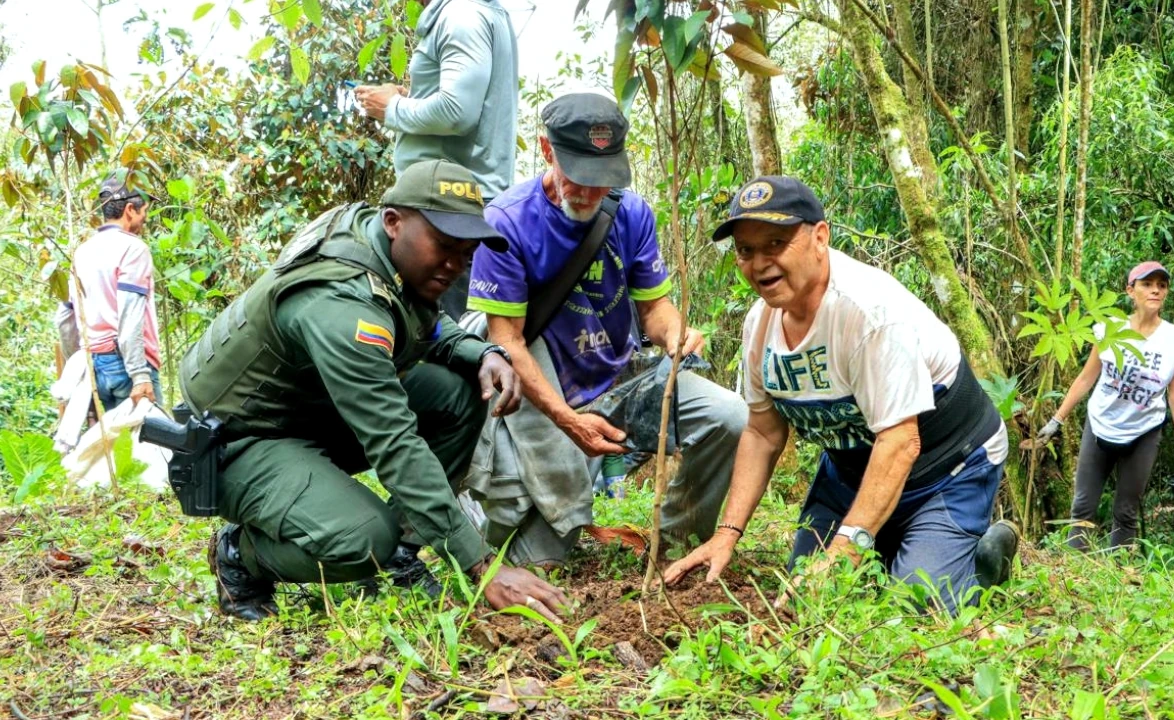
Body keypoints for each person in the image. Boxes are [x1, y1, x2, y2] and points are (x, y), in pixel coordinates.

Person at [178, 159, 567, 622]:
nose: (455, 265)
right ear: (393, 222)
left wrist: (482, 353)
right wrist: (481, 564)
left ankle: (401, 554)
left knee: (461, 393)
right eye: (444, 245)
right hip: (240, 438)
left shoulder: (385, 251)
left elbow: (422, 324)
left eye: (466, 253)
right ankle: (240, 554)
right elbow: (395, 444)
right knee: (364, 540)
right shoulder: (342, 306)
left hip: (307, 407)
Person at [664, 176, 1019, 614]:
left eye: (776, 242)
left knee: (914, 603)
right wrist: (727, 533)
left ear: (820, 237)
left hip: (946, 465)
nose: (760, 263)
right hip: (852, 470)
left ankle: (981, 564)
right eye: (746, 250)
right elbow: (762, 433)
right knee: (807, 601)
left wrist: (845, 550)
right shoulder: (759, 326)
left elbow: (901, 441)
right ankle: (894, 543)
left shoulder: (869, 313)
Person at [464, 92, 747, 568]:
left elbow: (655, 310)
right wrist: (568, 421)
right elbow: (507, 340)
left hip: (617, 375)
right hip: (546, 386)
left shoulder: (632, 213)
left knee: (730, 417)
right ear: (547, 151)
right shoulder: (507, 223)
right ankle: (475, 515)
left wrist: (677, 334)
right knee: (540, 554)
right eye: (580, 178)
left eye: (604, 180)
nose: (591, 193)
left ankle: (676, 544)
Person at [354, 0, 518, 320]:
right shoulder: (479, 12)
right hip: (456, 204)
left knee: (451, 338)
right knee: (449, 335)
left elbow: (457, 113)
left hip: (448, 210)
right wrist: (405, 100)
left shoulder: (461, 15)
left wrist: (392, 109)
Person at [1036, 261, 1174, 551]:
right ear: (1130, 291)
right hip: (1100, 425)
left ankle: (1119, 579)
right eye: (1147, 285)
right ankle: (1077, 572)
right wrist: (1056, 421)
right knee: (1082, 508)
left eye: (1161, 286)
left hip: (1144, 431)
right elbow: (1086, 378)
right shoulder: (1109, 328)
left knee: (1126, 512)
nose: (1155, 291)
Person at [72, 170, 163, 412]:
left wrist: (81, 369)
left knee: (113, 447)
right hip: (128, 368)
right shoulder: (134, 249)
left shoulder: (82, 252)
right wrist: (139, 374)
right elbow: (130, 315)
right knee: (151, 448)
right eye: (144, 211)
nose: (145, 218)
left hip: (96, 367)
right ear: (130, 210)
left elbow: (67, 317)